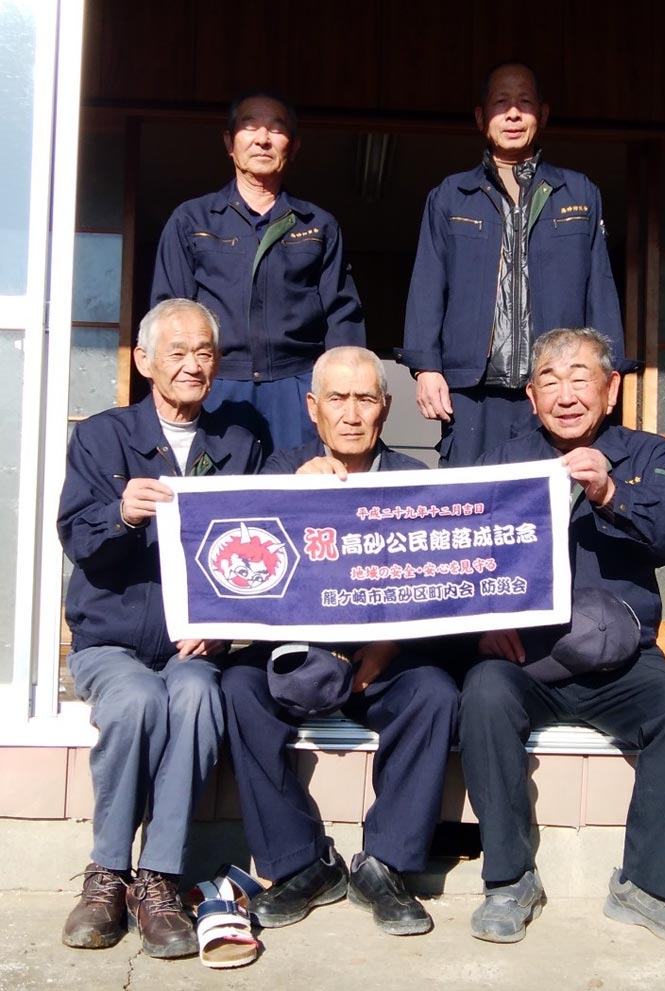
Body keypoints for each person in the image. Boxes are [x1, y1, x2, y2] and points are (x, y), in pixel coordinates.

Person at [459, 327, 665, 945]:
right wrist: (486, 620)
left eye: (581, 378)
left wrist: (609, 491)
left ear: (611, 391)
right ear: (530, 396)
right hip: (526, 659)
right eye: (549, 380)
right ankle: (510, 880)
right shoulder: (503, 458)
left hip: (624, 663)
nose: (566, 393)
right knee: (482, 695)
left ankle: (648, 888)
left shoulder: (646, 453)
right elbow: (460, 553)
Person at [222, 346, 459, 936]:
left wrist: (385, 651)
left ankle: (387, 865)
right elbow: (248, 580)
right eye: (337, 398)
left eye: (365, 399)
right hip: (298, 659)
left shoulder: (415, 481)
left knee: (433, 691)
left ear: (385, 408)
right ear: (313, 408)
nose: (351, 414)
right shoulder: (281, 470)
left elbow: (438, 590)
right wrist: (293, 499)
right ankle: (304, 864)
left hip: (382, 661)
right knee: (238, 688)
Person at [58, 299, 265, 959]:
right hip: (112, 640)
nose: (193, 363)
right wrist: (120, 513)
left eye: (205, 351)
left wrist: (224, 621)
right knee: (138, 700)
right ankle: (107, 873)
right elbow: (77, 538)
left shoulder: (240, 441)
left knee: (199, 696)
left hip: (190, 643)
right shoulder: (102, 436)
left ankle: (159, 877)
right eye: (177, 351)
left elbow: (263, 542)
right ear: (145, 361)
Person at [398, 62, 633, 468]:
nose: (512, 114)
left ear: (542, 115)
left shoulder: (577, 192)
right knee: (470, 506)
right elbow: (427, 285)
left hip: (553, 388)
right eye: (501, 103)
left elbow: (601, 289)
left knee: (553, 504)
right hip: (472, 390)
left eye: (523, 103)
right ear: (480, 116)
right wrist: (426, 369)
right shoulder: (452, 196)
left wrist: (609, 375)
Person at [151, 89, 365, 454]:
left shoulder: (318, 225)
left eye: (276, 129)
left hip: (297, 387)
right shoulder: (192, 220)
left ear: (293, 146)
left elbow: (342, 316)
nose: (263, 138)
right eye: (250, 126)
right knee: (217, 498)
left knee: (302, 496)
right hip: (216, 384)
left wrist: (347, 393)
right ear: (229, 143)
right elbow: (167, 314)